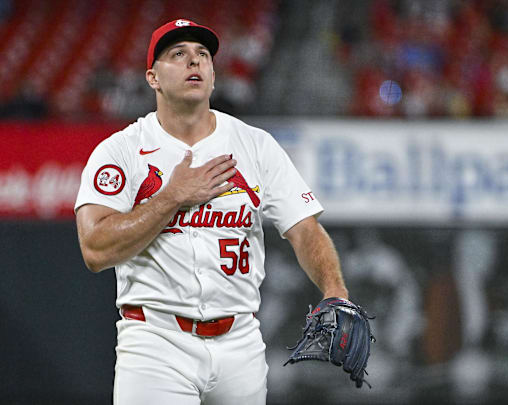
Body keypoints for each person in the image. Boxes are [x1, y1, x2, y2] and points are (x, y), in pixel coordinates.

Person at [74, 19, 349, 404]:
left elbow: (304, 228)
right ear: (152, 78)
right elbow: (95, 250)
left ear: (214, 76)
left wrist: (334, 289)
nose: (195, 62)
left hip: (241, 344)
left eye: (203, 55)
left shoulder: (255, 145)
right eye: (179, 54)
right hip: (156, 342)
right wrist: (171, 197)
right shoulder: (120, 151)